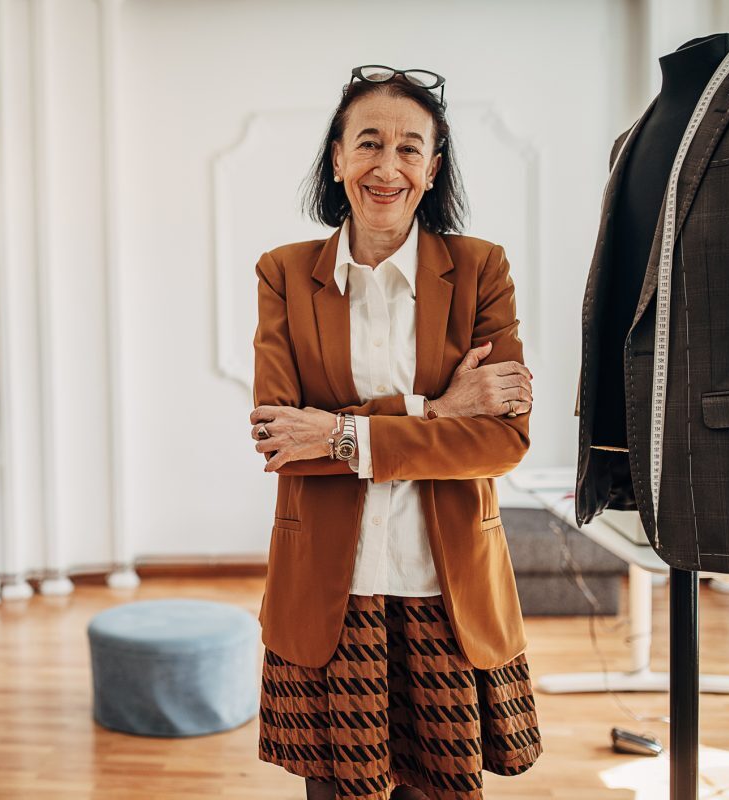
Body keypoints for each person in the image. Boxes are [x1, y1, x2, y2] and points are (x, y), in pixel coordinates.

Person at [249, 66, 542, 800]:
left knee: (443, 790)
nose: (389, 167)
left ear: (433, 168)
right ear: (338, 159)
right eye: (369, 144)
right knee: (335, 792)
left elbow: (503, 442)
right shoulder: (284, 274)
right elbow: (281, 439)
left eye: (411, 148)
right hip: (328, 588)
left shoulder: (481, 271)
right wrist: (436, 412)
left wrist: (340, 435)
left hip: (447, 588)